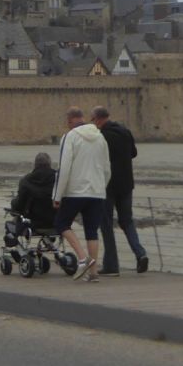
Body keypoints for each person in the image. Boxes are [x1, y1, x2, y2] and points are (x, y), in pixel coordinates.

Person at [53, 107, 111, 282]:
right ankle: (93, 273)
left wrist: (57, 196)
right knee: (92, 231)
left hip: (75, 191)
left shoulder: (69, 137)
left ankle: (82, 257)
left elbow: (64, 168)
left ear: (70, 121)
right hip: (97, 191)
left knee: (61, 223)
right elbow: (107, 168)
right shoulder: (100, 137)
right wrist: (102, 187)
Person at [92, 106, 148, 275]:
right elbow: (133, 153)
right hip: (126, 185)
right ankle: (140, 253)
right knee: (127, 221)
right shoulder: (125, 132)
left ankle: (111, 265)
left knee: (106, 224)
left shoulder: (101, 137)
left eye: (93, 120)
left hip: (108, 186)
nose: (93, 123)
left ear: (99, 119)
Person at [10, 152, 57, 228]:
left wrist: (13, 203)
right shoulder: (58, 179)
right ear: (50, 163)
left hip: (33, 221)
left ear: (35, 164)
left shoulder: (26, 180)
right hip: (56, 221)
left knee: (13, 220)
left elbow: (19, 205)